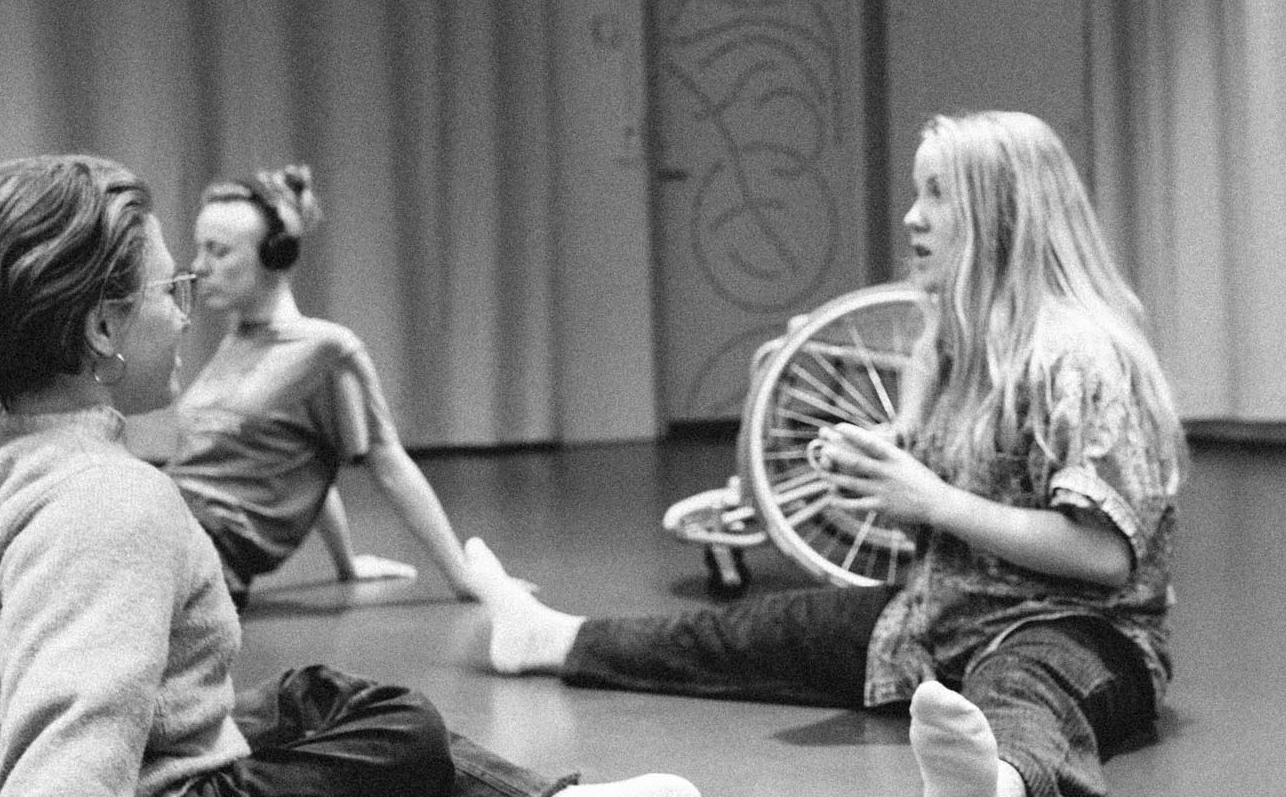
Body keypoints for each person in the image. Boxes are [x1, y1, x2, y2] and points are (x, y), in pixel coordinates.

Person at [0, 154, 694, 796]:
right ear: (103, 329)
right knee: (401, 730)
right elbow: (70, 749)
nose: (188, 306)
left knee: (308, 695)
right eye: (169, 287)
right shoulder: (113, 502)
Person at [463, 111, 1183, 797]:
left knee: (1028, 689)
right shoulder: (949, 347)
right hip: (944, 617)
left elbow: (1104, 556)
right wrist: (879, 475)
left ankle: (997, 783)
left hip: (1078, 630)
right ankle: (545, 637)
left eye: (938, 195)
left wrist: (934, 499)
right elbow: (936, 520)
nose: (912, 217)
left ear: (1002, 216)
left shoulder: (1082, 357)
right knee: (749, 633)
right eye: (915, 192)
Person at [169, 164, 483, 608]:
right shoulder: (237, 342)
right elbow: (308, 458)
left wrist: (463, 578)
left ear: (272, 256)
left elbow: (388, 464)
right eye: (200, 249)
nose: (200, 268)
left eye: (219, 252)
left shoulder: (327, 349)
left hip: (203, 546)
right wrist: (345, 563)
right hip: (170, 517)